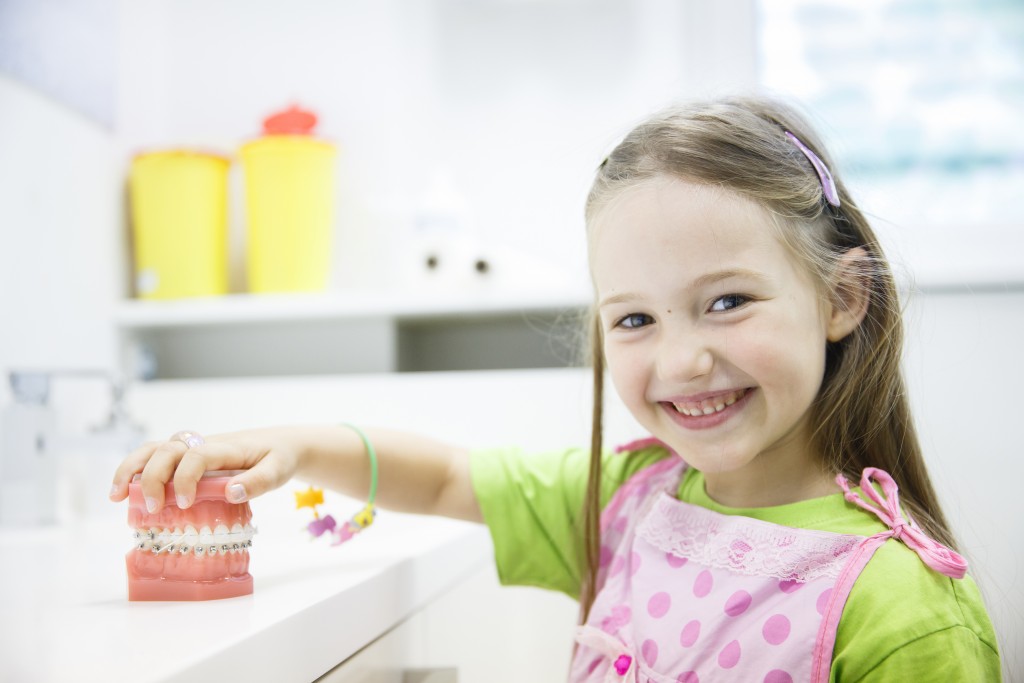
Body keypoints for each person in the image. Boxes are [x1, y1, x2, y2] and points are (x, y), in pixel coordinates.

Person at [110, 95, 1001, 681]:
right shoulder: (630, 502)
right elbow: (450, 477)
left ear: (841, 299)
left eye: (726, 301)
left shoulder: (902, 606)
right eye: (635, 320)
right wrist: (299, 446)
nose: (682, 360)